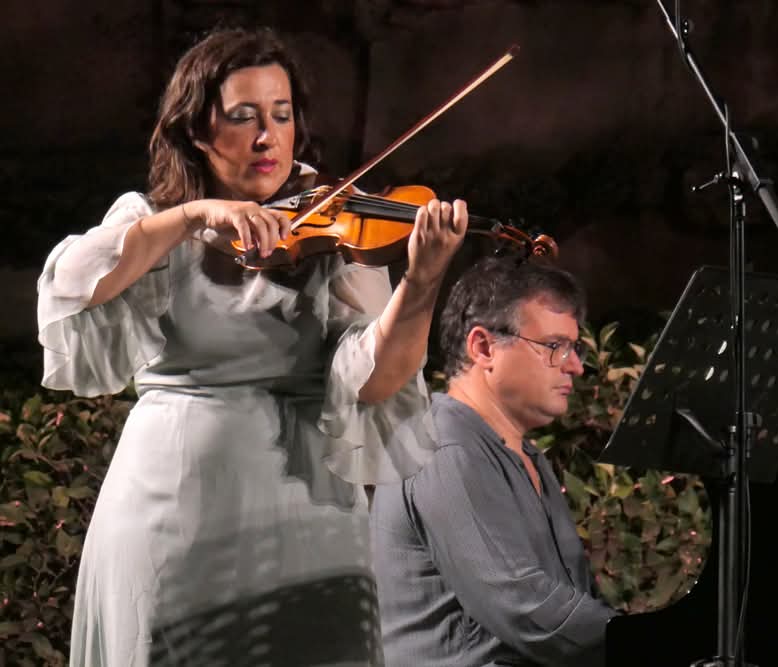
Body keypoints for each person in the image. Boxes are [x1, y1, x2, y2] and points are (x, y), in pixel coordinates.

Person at [37, 27, 467, 666]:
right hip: (173, 506)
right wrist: (192, 217)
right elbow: (71, 286)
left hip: (309, 508)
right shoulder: (153, 218)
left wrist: (423, 281)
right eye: (242, 117)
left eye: (282, 115)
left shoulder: (334, 219)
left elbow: (376, 381)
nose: (268, 137)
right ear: (196, 131)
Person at [370, 256, 618, 667]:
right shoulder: (443, 449)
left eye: (573, 348)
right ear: (483, 347)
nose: (575, 365)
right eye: (555, 346)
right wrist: (648, 645)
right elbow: (524, 608)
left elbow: (568, 601)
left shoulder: (524, 455)